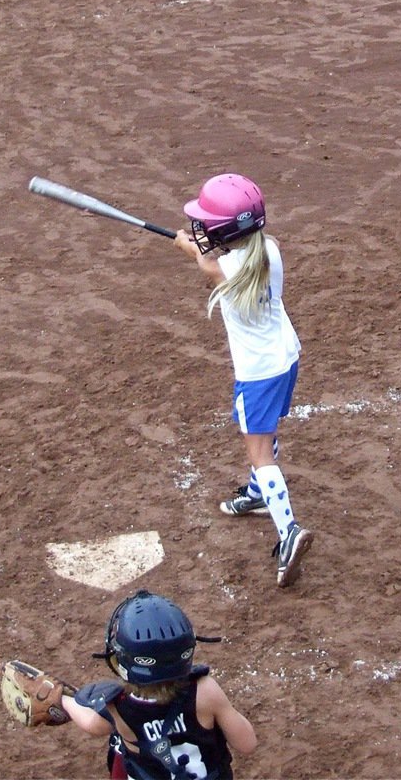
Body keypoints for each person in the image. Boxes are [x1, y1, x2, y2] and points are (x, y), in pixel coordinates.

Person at [175, 174, 314, 589]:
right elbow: (212, 260)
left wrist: (186, 244)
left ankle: (288, 531)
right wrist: (196, 246)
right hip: (286, 359)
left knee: (258, 449)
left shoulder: (221, 268)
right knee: (267, 430)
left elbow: (204, 263)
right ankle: (257, 493)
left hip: (257, 374)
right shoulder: (268, 251)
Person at [61, 590, 257, 778]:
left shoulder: (118, 705)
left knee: (119, 748)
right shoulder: (205, 691)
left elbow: (91, 725)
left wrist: (63, 700)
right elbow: (247, 744)